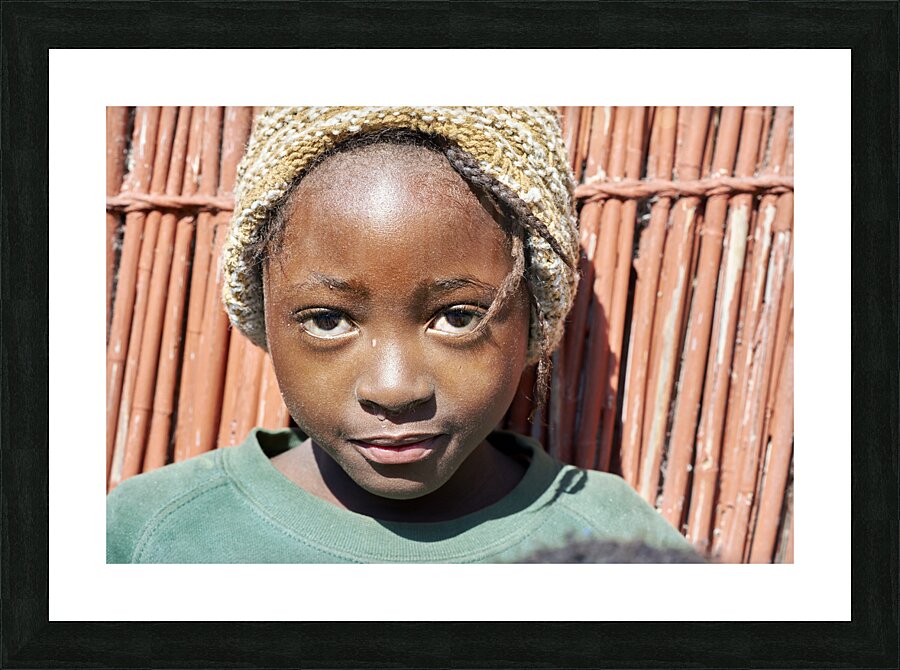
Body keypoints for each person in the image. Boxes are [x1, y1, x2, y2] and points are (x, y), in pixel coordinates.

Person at [107, 107, 693, 563]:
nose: (394, 389)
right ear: (260, 313)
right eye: (329, 319)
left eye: (459, 316)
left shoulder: (621, 545)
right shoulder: (149, 537)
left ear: (535, 316)